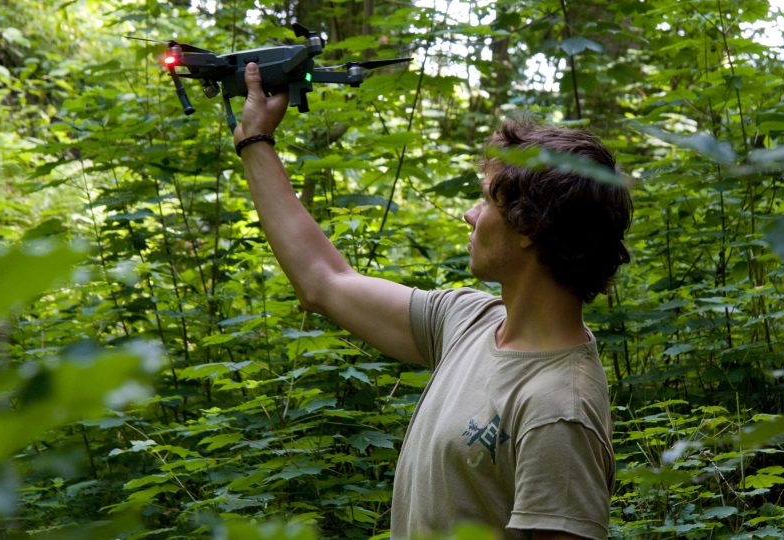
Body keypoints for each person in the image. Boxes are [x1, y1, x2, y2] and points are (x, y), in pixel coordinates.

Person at [232, 61, 633, 540]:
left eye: (486, 200)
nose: (469, 214)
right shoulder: (469, 321)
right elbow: (324, 282)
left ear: (530, 228)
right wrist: (255, 140)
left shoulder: (557, 409)